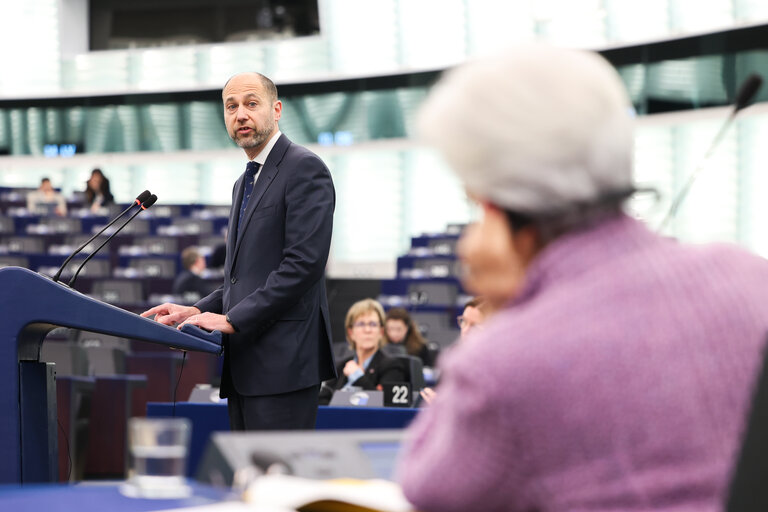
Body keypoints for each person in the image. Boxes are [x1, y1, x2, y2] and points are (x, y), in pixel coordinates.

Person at [395, 44, 768, 512]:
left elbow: (427, 490)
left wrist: (504, 322)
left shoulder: (501, 365)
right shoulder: (752, 278)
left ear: (495, 204)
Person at [142, 72, 336, 431]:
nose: (240, 114)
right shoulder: (242, 183)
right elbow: (243, 277)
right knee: (249, 483)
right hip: (245, 365)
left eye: (251, 103)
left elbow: (303, 265)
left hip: (285, 366)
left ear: (276, 110)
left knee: (278, 483)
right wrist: (197, 310)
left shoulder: (304, 168)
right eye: (231, 107)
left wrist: (233, 319)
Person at [319, 299, 406, 405]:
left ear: (381, 332)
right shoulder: (341, 367)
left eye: (373, 324)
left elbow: (386, 405)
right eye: (361, 324)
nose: (367, 330)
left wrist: (358, 376)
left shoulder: (392, 366)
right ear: (351, 332)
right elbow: (322, 400)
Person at [419, 296, 488, 405]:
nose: (465, 331)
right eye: (464, 322)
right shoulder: (453, 357)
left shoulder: (499, 367)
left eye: (474, 326)